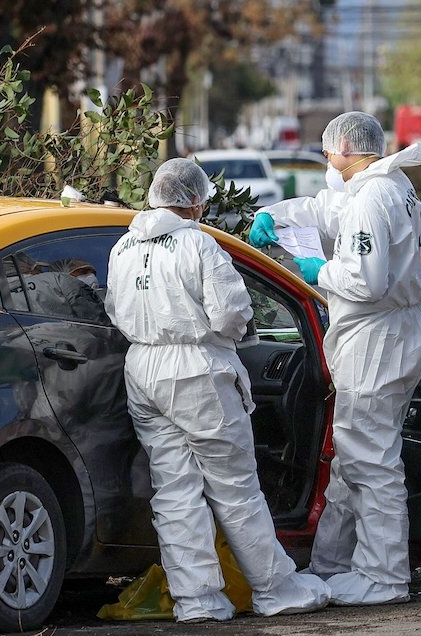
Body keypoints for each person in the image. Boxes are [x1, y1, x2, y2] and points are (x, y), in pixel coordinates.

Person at [103, 158, 330, 623]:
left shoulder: (124, 246)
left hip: (142, 368)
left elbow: (113, 307)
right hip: (196, 367)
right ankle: (275, 588)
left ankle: (197, 600)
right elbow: (232, 313)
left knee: (174, 489)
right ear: (194, 201)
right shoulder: (199, 245)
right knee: (235, 487)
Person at [247, 111, 421, 606]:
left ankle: (384, 575)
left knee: (371, 461)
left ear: (347, 147)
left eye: (329, 150)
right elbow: (327, 209)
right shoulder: (383, 188)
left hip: (378, 339)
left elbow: (366, 282)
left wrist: (318, 269)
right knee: (356, 457)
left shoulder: (375, 198)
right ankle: (340, 563)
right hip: (389, 334)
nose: (327, 159)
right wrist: (278, 215)